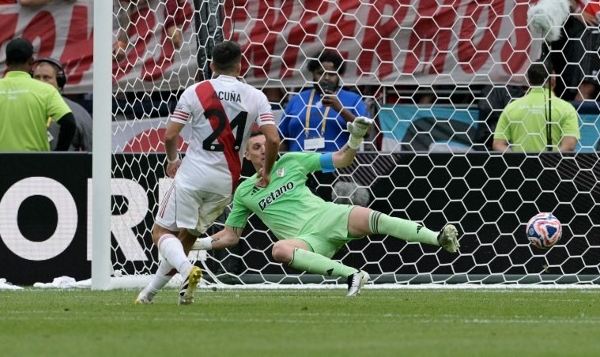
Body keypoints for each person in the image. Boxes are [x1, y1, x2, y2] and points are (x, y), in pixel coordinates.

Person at [193, 123, 461, 297]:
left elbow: (343, 159)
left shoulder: (292, 161)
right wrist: (195, 245)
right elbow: (230, 236)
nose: (264, 151)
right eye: (256, 147)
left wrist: (355, 138)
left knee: (373, 217)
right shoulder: (244, 191)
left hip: (330, 215)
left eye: (267, 145)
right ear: (247, 156)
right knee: (279, 249)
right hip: (307, 240)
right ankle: (353, 276)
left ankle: (438, 238)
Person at [134, 40, 280, 306]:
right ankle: (149, 295)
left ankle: (188, 271)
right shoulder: (256, 97)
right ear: (240, 66)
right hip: (225, 183)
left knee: (160, 232)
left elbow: (170, 135)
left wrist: (172, 159)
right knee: (186, 238)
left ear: (211, 65)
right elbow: (273, 139)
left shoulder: (195, 91)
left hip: (193, 176)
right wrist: (266, 172)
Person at [0, 37, 76, 152]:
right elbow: (69, 122)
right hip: (36, 167)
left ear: (6, 62)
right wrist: (58, 156)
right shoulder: (46, 91)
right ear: (31, 61)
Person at [279, 50, 368, 152]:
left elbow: (366, 132)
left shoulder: (353, 100)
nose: (326, 78)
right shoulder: (297, 100)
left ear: (339, 75)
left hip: (337, 165)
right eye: (321, 73)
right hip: (300, 165)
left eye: (331, 74)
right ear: (313, 74)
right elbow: (282, 137)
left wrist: (340, 109)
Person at [492, 63, 579, 152]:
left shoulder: (511, 108)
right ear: (553, 78)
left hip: (521, 165)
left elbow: (498, 144)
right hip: (551, 164)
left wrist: (517, 159)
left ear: (529, 80)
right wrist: (549, 161)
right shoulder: (566, 108)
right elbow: (569, 146)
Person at [31, 57, 92, 151]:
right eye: (37, 77)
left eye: (46, 78)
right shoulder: (22, 108)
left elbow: (94, 152)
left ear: (59, 82)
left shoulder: (78, 113)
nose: (41, 82)